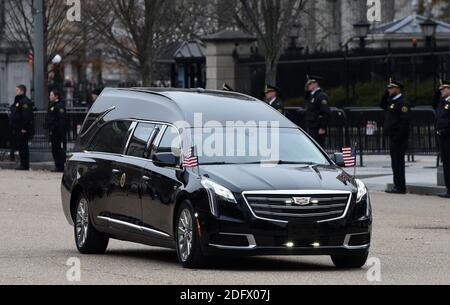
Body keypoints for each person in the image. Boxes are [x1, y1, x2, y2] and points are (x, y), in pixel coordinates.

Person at [380, 79, 411, 195]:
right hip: (393, 137)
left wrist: (398, 136)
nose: (389, 90)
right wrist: (386, 93)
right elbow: (382, 105)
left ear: (398, 89)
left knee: (398, 162)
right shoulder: (392, 101)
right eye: (388, 88)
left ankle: (400, 186)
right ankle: (396, 185)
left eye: (391, 88)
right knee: (395, 163)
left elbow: (404, 122)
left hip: (399, 138)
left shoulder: (403, 102)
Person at [9, 85, 34, 171]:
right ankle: (22, 164)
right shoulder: (19, 100)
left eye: (17, 90)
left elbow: (26, 116)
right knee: (20, 147)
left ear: (22, 91)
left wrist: (24, 128)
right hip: (17, 128)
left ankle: (24, 164)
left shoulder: (25, 101)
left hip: (22, 129)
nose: (16, 92)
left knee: (23, 147)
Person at [304, 75, 331, 148]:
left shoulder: (321, 96)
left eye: (310, 84)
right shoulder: (312, 95)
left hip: (317, 127)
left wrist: (322, 127)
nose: (308, 85)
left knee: (318, 147)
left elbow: (325, 112)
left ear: (316, 84)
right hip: (312, 126)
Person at [45, 89, 67, 173]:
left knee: (57, 149)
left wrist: (56, 129)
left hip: (57, 132)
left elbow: (61, 120)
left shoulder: (59, 106)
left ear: (56, 96)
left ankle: (60, 166)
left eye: (51, 95)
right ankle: (57, 165)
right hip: (53, 131)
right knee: (54, 149)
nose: (50, 97)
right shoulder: (52, 105)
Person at [435, 80, 450, 198]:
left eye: (443, 89)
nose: (441, 91)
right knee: (446, 163)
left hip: (448, 136)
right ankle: (448, 188)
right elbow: (433, 103)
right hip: (443, 137)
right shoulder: (442, 102)